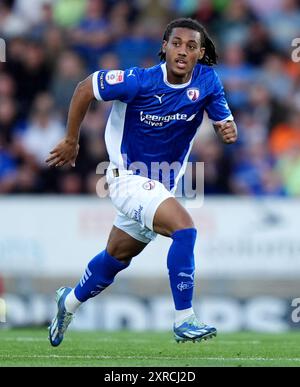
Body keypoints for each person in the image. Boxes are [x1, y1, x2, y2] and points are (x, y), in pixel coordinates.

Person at [46, 18, 237, 346]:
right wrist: (71, 140)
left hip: (161, 186)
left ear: (200, 53)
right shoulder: (139, 81)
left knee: (116, 257)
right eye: (176, 43)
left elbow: (224, 119)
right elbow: (85, 87)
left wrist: (227, 128)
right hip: (125, 179)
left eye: (191, 46)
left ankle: (69, 302)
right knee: (185, 228)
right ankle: (184, 318)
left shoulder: (207, 81)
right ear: (164, 47)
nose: (182, 51)